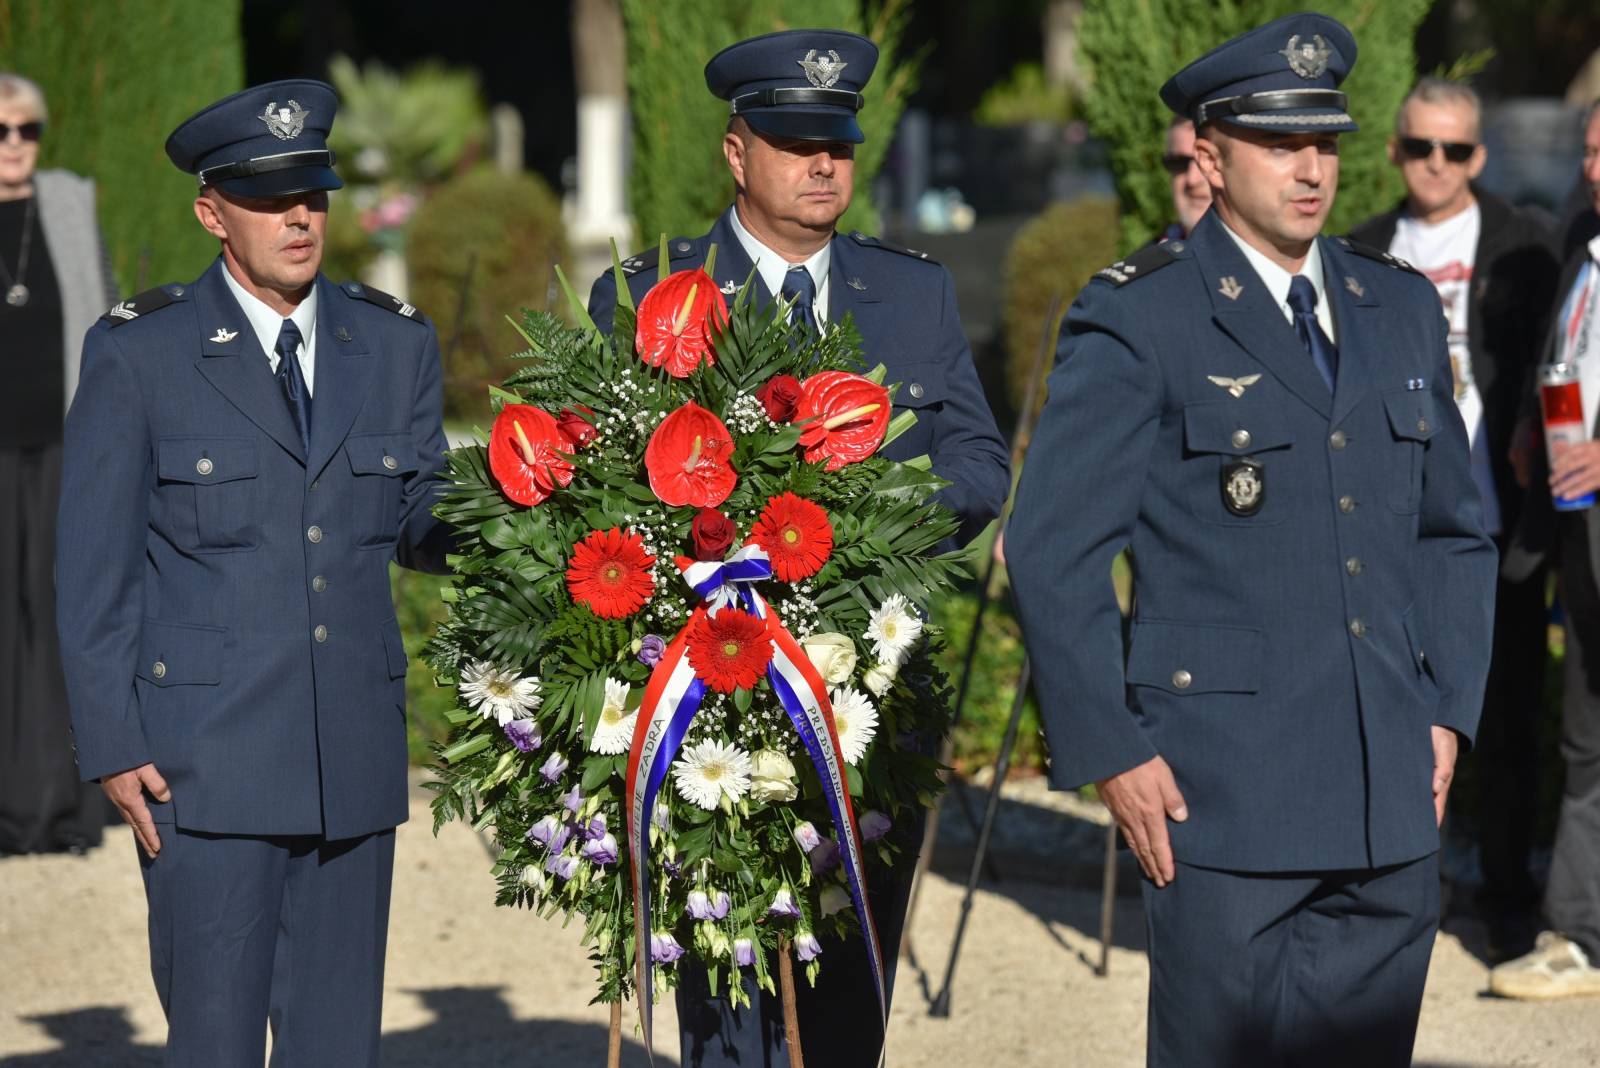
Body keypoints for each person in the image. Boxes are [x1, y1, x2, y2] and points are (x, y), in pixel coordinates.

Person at [1006, 13, 1496, 1067]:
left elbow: (1456, 529)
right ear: (1212, 157)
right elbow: (1052, 550)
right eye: (1280, 144)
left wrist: (1448, 708)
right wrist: (1112, 751)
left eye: (1322, 143)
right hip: (1220, 799)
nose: (1309, 169)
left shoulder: (1395, 307)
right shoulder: (1142, 320)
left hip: (1387, 799)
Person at [587, 28, 1010, 1068]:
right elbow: (594, 490)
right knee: (725, 999)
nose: (824, 163)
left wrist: (860, 516)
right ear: (737, 154)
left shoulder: (910, 293)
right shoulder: (651, 293)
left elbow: (978, 465)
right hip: (706, 707)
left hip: (867, 700)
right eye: (793, 141)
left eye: (840, 142)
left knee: (847, 1005)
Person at [55, 80, 455, 1064]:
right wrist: (112, 740)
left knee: (337, 1050)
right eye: (269, 198)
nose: (298, 217)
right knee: (216, 1044)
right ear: (211, 212)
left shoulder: (393, 344)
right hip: (206, 764)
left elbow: (421, 521)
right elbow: (92, 568)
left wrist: (530, 495)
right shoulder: (140, 352)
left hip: (350, 757)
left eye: (312, 195)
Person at [1350, 77, 1560, 962]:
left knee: (1507, 713)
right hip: (1386, 532)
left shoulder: (1526, 245)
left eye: (1458, 150)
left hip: (1496, 524)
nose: (1438, 164)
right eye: (1422, 146)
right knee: (1389, 718)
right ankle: (1399, 890)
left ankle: (1509, 898)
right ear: (1397, 150)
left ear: (1479, 156)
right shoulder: (1358, 250)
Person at [1491, 96, 1600, 1001]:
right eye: (1590, 153)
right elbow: (1560, 371)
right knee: (1587, 739)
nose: (1593, 172)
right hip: (1579, 530)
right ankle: (1576, 935)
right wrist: (1535, 428)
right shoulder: (1584, 256)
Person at [0, 73, 117, 855]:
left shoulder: (70, 202)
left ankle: (70, 807)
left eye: (27, 131)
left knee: (62, 613)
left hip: (65, 440)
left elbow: (104, 310)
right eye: (1, 132)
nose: (15, 146)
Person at [1159, 116, 1212, 241]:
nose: (1192, 179)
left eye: (1208, 160)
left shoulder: (1263, 257)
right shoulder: (1146, 259)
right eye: (1179, 163)